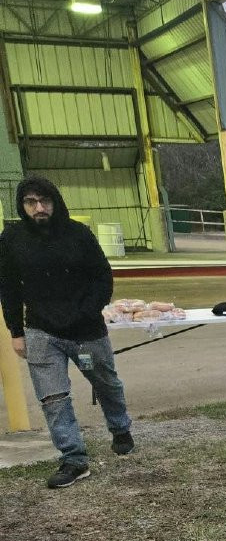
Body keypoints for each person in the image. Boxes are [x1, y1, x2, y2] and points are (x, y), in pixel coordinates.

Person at [0, 176, 134, 488]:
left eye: (44, 201)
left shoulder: (78, 235)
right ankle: (73, 458)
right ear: (22, 206)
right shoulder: (11, 239)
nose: (39, 208)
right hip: (41, 333)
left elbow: (102, 277)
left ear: (55, 202)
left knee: (105, 382)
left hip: (85, 333)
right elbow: (7, 288)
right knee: (53, 397)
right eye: (31, 202)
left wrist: (86, 310)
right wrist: (15, 331)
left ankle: (120, 427)